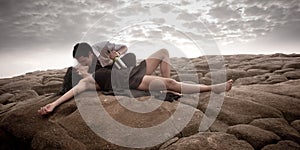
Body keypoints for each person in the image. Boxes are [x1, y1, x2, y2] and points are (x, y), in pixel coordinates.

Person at [38, 42, 233, 115]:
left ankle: (169, 87)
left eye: (85, 59)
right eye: (79, 62)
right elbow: (74, 91)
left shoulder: (102, 59)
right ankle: (214, 88)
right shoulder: (87, 80)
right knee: (170, 84)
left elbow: (122, 50)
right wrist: (53, 105)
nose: (83, 63)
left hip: (131, 70)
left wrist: (116, 55)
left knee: (163, 51)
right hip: (128, 81)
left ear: (91, 54)